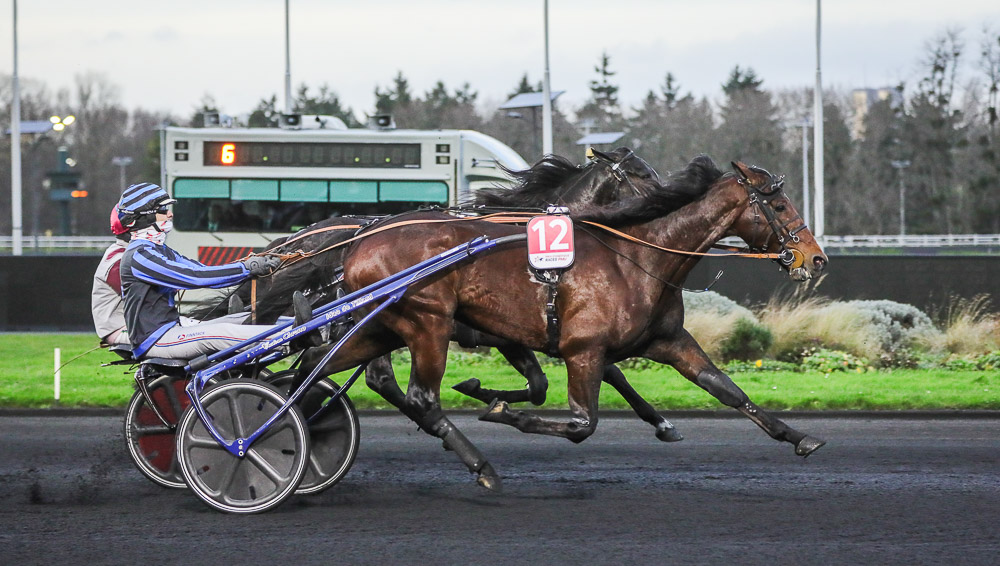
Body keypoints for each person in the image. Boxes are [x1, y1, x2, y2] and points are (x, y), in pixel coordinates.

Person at [116, 182, 312, 360]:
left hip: (169, 330)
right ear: (143, 217)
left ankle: (313, 325)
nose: (170, 214)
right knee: (223, 331)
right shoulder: (139, 256)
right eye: (162, 209)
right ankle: (292, 337)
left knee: (241, 318)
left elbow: (202, 270)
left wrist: (250, 266)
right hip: (155, 339)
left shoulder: (158, 250)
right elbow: (195, 278)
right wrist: (246, 268)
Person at [90, 205, 132, 347]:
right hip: (120, 329)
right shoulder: (118, 260)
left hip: (132, 326)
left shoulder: (128, 253)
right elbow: (145, 295)